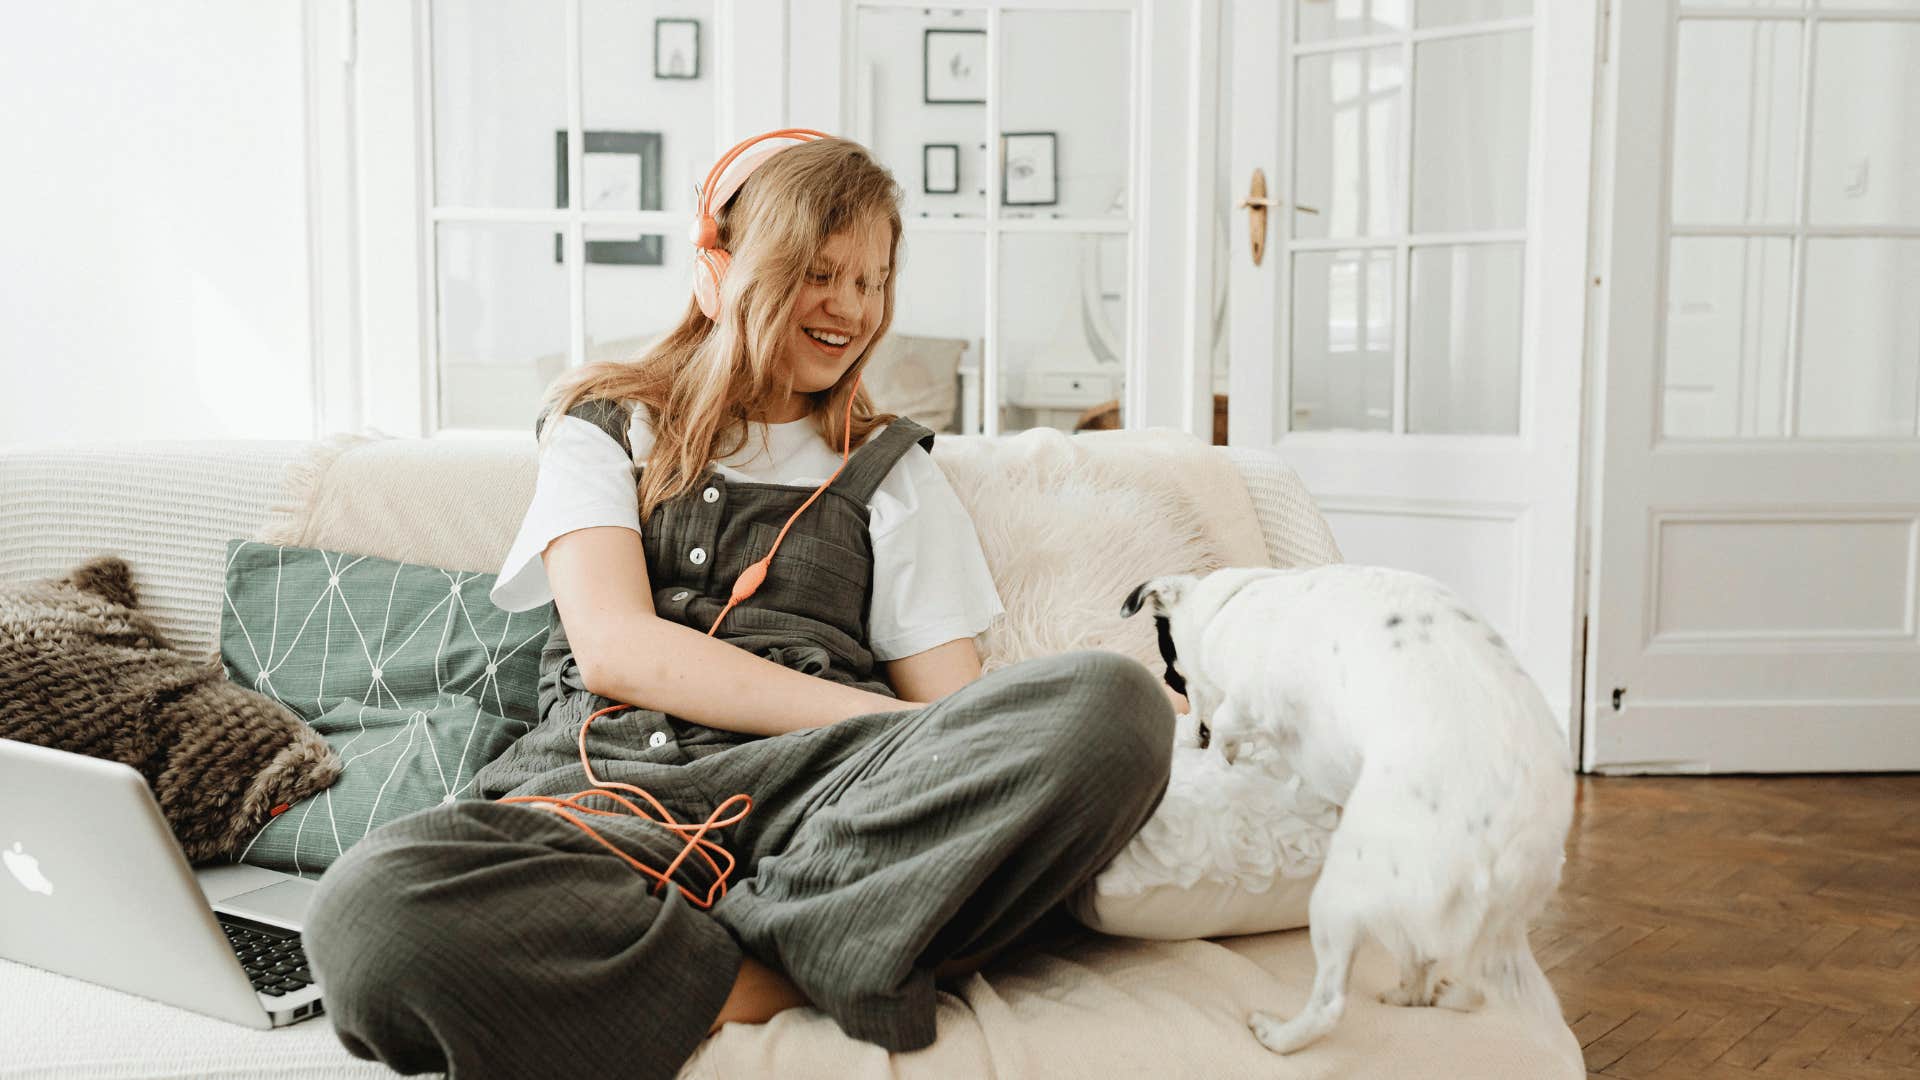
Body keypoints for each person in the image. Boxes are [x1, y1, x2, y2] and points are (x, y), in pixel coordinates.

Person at [301, 132, 1175, 1080]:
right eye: (817, 271)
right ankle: (808, 964)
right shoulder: (604, 426)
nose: (849, 307)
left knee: (1110, 706)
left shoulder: (894, 475)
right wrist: (886, 723)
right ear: (716, 271)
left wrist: (1004, 729)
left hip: (822, 806)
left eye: (872, 279)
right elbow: (618, 650)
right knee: (366, 918)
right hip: (595, 806)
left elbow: (949, 715)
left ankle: (727, 958)